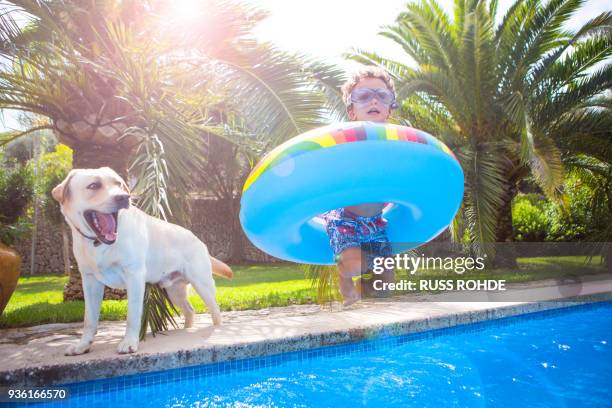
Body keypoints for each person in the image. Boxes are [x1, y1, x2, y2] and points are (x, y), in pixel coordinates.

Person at [322, 66, 398, 306]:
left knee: (387, 280)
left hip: (376, 219)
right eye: (364, 96)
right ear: (351, 111)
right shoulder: (344, 141)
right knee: (353, 265)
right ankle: (349, 295)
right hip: (345, 216)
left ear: (390, 108)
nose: (374, 100)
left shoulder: (398, 144)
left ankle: (368, 303)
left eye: (382, 96)